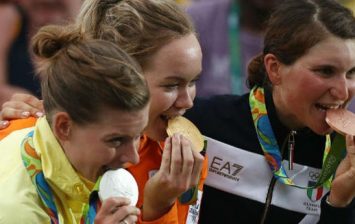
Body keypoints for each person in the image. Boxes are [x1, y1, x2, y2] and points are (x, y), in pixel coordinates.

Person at [0, 0, 207, 223]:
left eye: (193, 81)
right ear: (122, 72)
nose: (188, 102)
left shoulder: (184, 160)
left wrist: (159, 209)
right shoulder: (47, 130)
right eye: (171, 85)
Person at [185, 0, 355, 223]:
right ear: (275, 68)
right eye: (325, 71)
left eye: (351, 73)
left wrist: (339, 203)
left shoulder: (346, 157)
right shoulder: (202, 123)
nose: (342, 92)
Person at [0, 24, 150, 223]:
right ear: (63, 127)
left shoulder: (74, 154)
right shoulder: (18, 211)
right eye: (116, 140)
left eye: (138, 135)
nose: (134, 157)